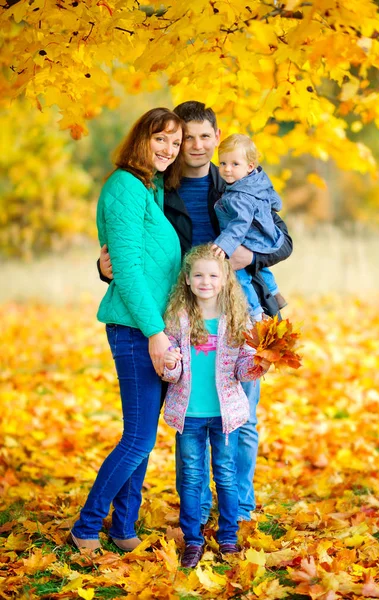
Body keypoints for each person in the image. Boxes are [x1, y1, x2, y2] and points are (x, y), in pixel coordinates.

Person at [98, 101, 293, 525]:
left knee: (241, 415)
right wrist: (102, 267)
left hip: (238, 306)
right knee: (190, 410)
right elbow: (137, 252)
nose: (195, 145)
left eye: (206, 137)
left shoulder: (232, 180)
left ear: (217, 138)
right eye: (186, 138)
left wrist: (250, 257)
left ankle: (236, 510)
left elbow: (283, 241)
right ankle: (196, 511)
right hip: (184, 312)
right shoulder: (158, 188)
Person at [69, 108, 183, 551]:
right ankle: (86, 526)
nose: (169, 150)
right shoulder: (124, 187)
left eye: (174, 144)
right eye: (162, 139)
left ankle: (123, 528)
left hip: (152, 327)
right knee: (138, 437)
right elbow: (129, 272)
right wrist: (156, 334)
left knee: (143, 437)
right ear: (142, 137)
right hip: (136, 329)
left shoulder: (148, 189)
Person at [162, 245, 270, 567]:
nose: (205, 281)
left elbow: (241, 370)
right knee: (191, 478)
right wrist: (169, 363)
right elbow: (173, 371)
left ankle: (227, 537)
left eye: (212, 275)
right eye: (198, 275)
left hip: (225, 417)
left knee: (225, 475)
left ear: (224, 279)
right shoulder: (177, 319)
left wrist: (258, 366)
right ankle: (193, 540)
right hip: (190, 415)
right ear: (187, 280)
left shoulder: (235, 320)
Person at [213, 133, 287, 321]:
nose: (227, 170)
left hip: (249, 239)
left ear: (250, 166)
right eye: (222, 163)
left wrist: (224, 244)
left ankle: (255, 312)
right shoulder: (258, 182)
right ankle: (275, 292)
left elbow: (240, 223)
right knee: (260, 268)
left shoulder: (239, 196)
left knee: (240, 274)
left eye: (234, 164)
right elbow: (275, 201)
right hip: (266, 237)